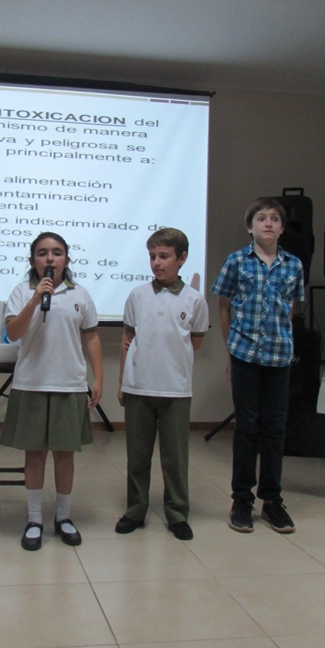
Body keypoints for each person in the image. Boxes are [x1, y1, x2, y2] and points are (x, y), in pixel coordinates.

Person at [0, 232, 103, 551]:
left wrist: (98, 378)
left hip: (69, 383)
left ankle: (63, 516)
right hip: (31, 382)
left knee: (64, 454)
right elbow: (13, 333)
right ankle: (34, 519)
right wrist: (34, 299)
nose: (50, 258)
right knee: (34, 454)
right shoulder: (21, 292)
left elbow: (91, 337)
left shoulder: (80, 294)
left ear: (67, 260)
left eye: (57, 253)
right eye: (42, 253)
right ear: (33, 260)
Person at [211, 197, 305, 534]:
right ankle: (242, 499)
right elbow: (223, 307)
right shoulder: (236, 261)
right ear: (250, 227)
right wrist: (230, 352)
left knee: (274, 429)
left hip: (278, 357)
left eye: (274, 219)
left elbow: (290, 309)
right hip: (244, 355)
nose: (268, 223)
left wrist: (278, 337)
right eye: (261, 218)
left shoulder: (294, 265)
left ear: (281, 228)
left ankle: (272, 501)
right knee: (247, 428)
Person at [115, 228, 209, 540]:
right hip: (138, 386)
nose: (156, 262)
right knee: (137, 456)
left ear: (181, 258)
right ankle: (135, 510)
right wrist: (122, 382)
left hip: (175, 389)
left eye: (164, 256)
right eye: (153, 256)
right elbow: (128, 339)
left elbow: (194, 343)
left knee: (175, 458)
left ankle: (177, 513)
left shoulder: (195, 300)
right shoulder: (137, 295)